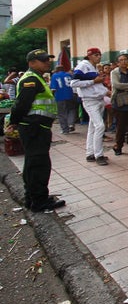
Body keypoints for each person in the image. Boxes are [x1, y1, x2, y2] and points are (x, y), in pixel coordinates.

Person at [9, 49, 65, 212]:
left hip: (37, 127)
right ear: (32, 63)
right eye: (43, 60)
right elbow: (22, 104)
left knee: (35, 164)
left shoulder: (37, 77)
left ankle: (33, 197)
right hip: (34, 128)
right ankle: (39, 201)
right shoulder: (31, 79)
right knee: (38, 165)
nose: (47, 62)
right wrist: (13, 122)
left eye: (48, 59)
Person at [71, 47, 110, 166]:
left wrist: (105, 91)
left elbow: (97, 85)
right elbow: (74, 83)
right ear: (89, 56)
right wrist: (93, 81)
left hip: (98, 99)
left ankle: (90, 153)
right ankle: (99, 155)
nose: (98, 57)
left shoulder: (94, 67)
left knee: (93, 127)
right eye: (96, 55)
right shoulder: (83, 66)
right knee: (100, 126)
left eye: (99, 55)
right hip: (89, 100)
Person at [50, 65, 75, 134]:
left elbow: (53, 88)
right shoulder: (69, 75)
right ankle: (71, 124)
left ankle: (65, 130)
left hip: (59, 97)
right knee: (71, 110)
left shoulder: (55, 76)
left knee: (61, 113)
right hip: (70, 95)